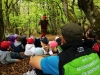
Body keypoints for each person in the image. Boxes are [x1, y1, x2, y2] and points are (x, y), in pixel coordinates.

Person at [29, 23, 100, 75]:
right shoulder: (94, 54)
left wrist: (49, 56)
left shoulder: (59, 61)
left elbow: (32, 61)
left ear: (63, 39)